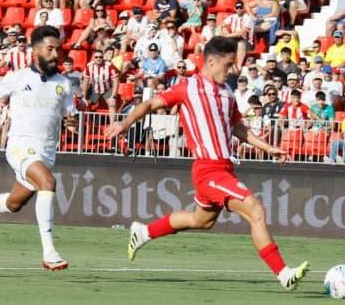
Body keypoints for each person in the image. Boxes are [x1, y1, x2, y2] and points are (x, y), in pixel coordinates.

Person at [105, 36, 309, 291]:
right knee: (255, 210)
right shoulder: (187, 87)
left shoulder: (226, 93)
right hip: (208, 169)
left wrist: (268, 148)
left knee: (201, 221)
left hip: (224, 169)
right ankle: (284, 274)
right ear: (211, 61)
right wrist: (124, 124)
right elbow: (149, 103)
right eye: (229, 64)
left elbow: (237, 128)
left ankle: (144, 232)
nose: (233, 69)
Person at [0, 26, 75, 271]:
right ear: (35, 51)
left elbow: (69, 115)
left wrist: (72, 122)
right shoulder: (18, 78)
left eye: (57, 50)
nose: (55, 55)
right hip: (20, 147)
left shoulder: (64, 83)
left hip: (46, 152)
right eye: (49, 49)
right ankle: (49, 251)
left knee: (14, 204)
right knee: (48, 183)